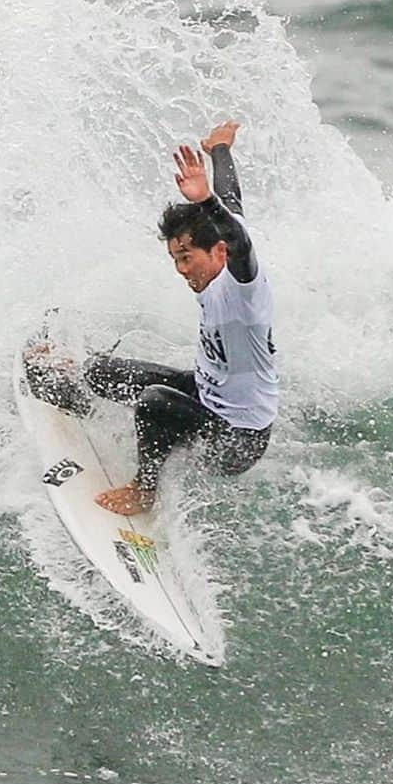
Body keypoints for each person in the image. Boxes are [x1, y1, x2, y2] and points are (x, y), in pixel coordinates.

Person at [87, 120, 279, 515]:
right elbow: (232, 198)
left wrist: (205, 198)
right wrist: (220, 150)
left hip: (238, 440)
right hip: (208, 397)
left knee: (154, 403)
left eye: (187, 258)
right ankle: (77, 393)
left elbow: (241, 239)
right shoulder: (219, 247)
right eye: (175, 259)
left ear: (219, 253)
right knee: (99, 372)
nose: (180, 270)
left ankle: (144, 490)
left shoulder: (245, 290)